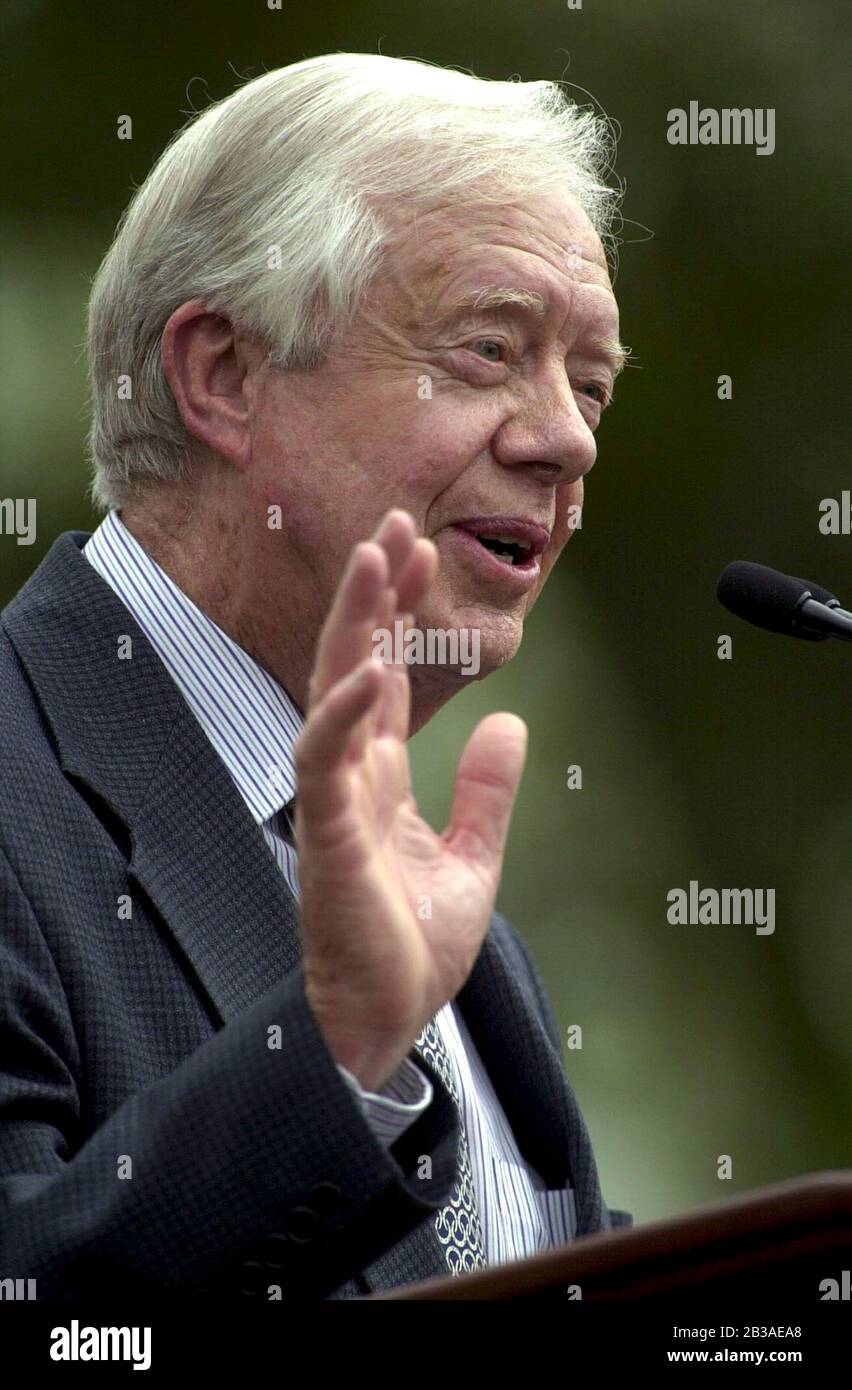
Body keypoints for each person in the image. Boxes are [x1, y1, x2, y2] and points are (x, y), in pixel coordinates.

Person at [0, 52, 631, 1299]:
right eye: (491, 349)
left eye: (593, 383)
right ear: (224, 377)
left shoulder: (471, 948)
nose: (569, 438)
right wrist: (334, 1052)